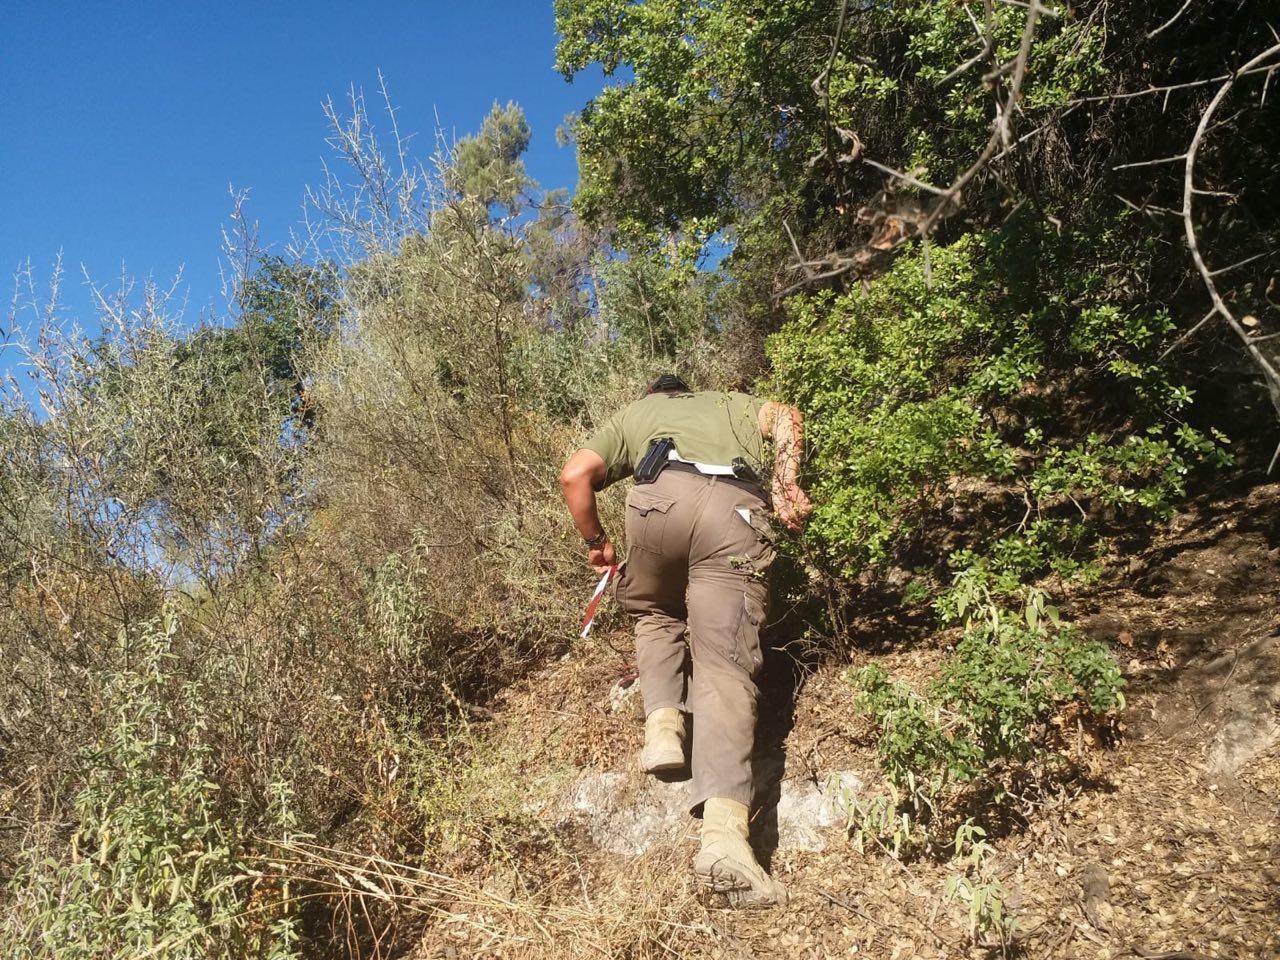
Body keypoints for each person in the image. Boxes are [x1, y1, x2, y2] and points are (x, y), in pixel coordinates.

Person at [558, 374, 811, 908]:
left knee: (652, 608)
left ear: (654, 398)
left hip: (659, 508)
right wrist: (787, 485)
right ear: (689, 392)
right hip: (736, 513)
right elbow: (787, 416)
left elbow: (574, 475)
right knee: (723, 664)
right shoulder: (732, 402)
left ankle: (664, 727)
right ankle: (724, 841)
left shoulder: (639, 415)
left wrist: (597, 543)